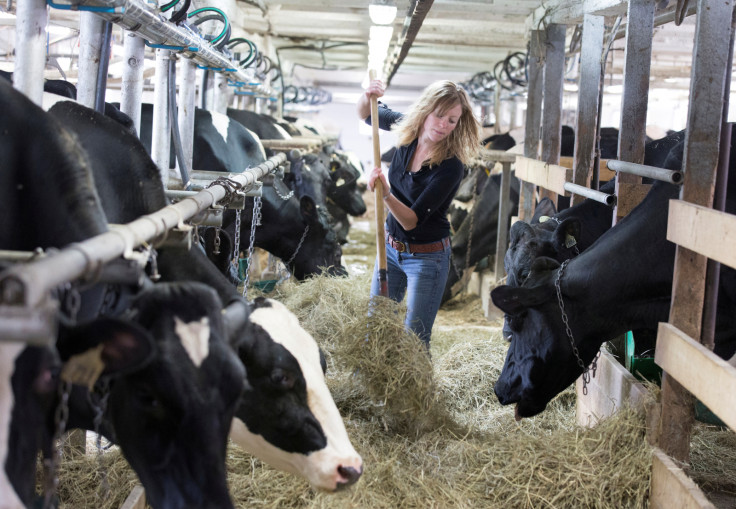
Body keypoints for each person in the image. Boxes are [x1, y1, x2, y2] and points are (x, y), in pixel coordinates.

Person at [356, 78, 481, 349]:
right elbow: (368, 114)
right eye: (439, 116)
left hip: (427, 258)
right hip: (390, 249)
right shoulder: (406, 130)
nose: (444, 126)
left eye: (452, 120)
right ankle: (367, 387)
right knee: (375, 327)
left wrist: (385, 193)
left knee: (415, 340)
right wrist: (369, 94)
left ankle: (416, 392)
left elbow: (411, 221)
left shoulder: (451, 166)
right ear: (425, 111)